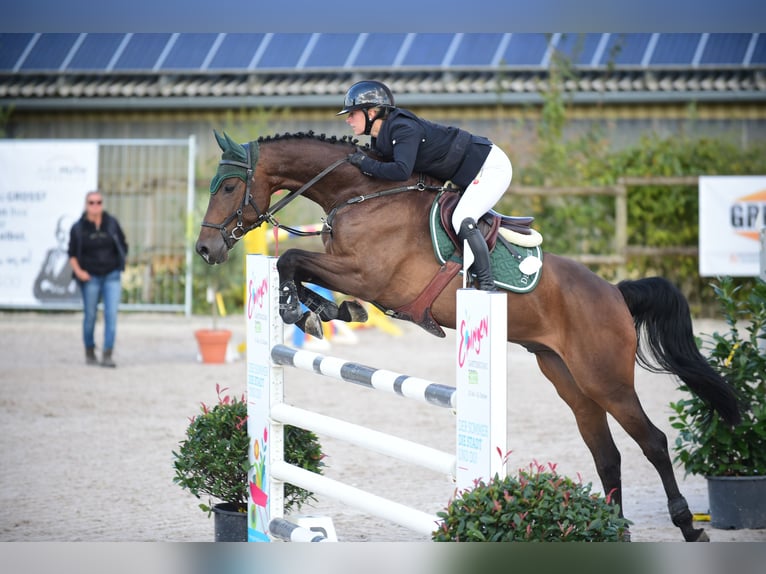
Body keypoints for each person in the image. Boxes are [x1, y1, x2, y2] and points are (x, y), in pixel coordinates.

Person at [338, 80, 512, 290]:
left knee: (462, 219)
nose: (348, 119)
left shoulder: (403, 128)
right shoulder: (381, 138)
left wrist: (365, 164)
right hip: (469, 173)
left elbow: (401, 171)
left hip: (490, 167)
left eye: (352, 113)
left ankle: (487, 284)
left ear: (372, 112)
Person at [68, 190, 128, 367]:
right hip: (90, 277)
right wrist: (79, 272)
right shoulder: (78, 228)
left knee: (111, 315)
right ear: (86, 205)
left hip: (112, 275)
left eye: (99, 202)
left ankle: (107, 354)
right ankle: (89, 350)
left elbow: (123, 244)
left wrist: (120, 264)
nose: (95, 206)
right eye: (91, 202)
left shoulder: (111, 223)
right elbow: (72, 254)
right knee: (90, 316)